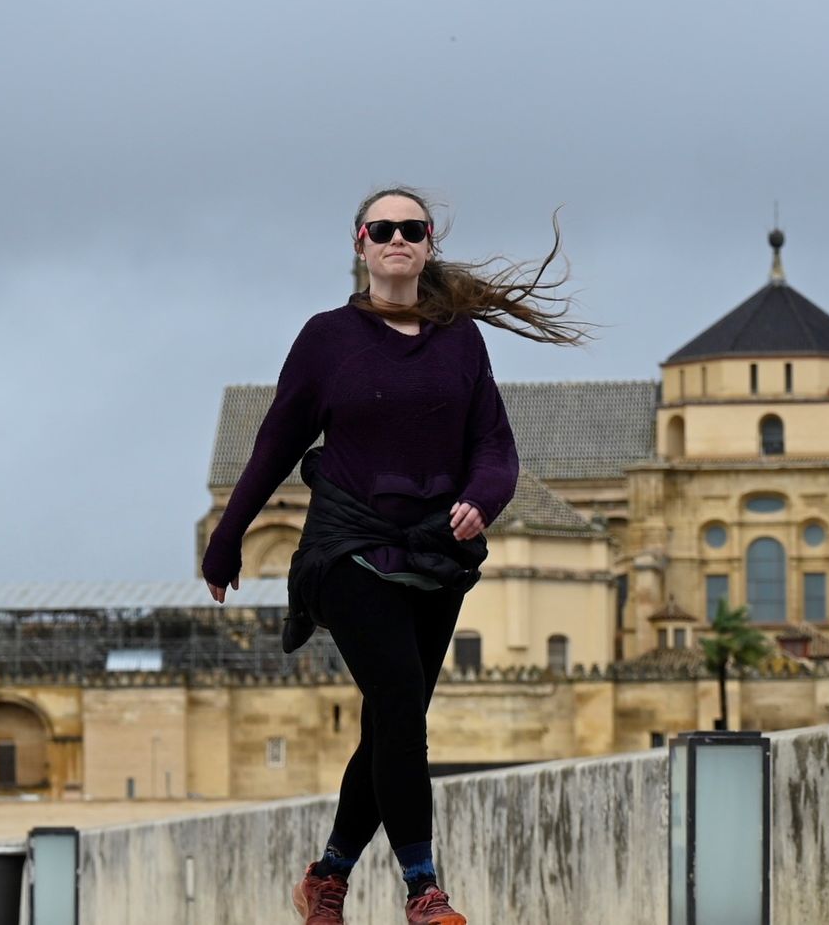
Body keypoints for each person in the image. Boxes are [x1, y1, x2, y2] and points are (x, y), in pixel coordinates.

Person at [202, 187, 586, 925]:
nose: (397, 238)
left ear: (429, 243)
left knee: (390, 722)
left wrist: (484, 498)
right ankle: (423, 888)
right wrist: (227, 540)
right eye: (383, 229)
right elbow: (275, 443)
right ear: (361, 244)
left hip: (436, 553)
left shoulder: (461, 340)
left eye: (411, 229)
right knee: (404, 713)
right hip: (347, 546)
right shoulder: (326, 339)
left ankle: (328, 876)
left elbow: (496, 446)